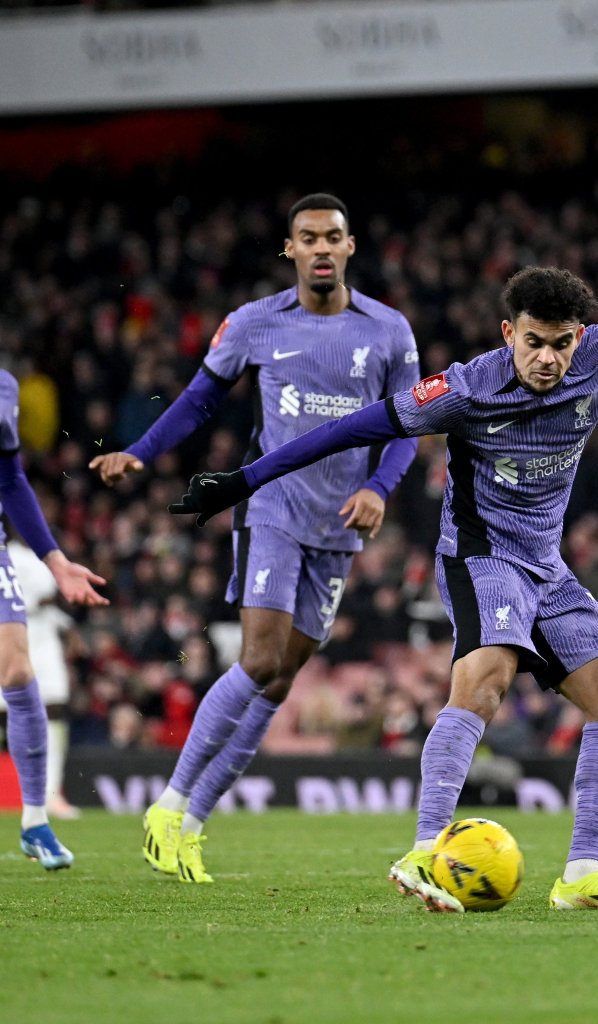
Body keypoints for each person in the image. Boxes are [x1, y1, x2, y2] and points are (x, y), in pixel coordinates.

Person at [169, 266, 598, 910]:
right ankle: (424, 853)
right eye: (534, 341)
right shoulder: (466, 388)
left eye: (561, 343)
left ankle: (582, 875)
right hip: (479, 555)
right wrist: (245, 480)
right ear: (509, 333)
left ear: (579, 336)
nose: (548, 357)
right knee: (486, 679)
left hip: (545, 563)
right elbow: (358, 427)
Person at [89, 193, 421, 883]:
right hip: (271, 508)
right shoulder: (253, 323)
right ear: (290, 250)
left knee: (277, 683)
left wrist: (377, 490)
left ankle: (192, 826)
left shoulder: (390, 332)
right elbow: (200, 399)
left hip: (339, 527)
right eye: (308, 238)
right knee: (259, 658)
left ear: (350, 247)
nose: (322, 247)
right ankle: (168, 806)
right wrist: (143, 452)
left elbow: (407, 431)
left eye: (334, 236)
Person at [0, 368, 109, 869]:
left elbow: (11, 478)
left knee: (19, 673)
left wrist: (55, 559)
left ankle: (36, 822)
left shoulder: (4, 386)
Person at [0, 539, 80, 820]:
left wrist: (67, 628)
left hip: (44, 635)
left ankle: (52, 793)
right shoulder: (10, 555)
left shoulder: (45, 554)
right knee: (8, 708)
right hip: (10, 629)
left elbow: (49, 601)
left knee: (55, 706)